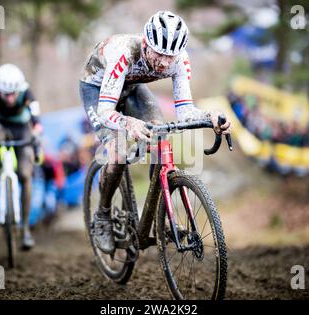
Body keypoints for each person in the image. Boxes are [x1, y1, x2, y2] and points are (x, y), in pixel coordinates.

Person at [79, 11, 231, 254]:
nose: (163, 63)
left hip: (131, 87)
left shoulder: (180, 60)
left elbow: (184, 111)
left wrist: (209, 117)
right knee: (117, 150)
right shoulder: (124, 53)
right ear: (146, 43)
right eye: (158, 54)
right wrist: (128, 124)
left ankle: (161, 212)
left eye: (170, 57)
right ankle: (103, 215)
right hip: (97, 90)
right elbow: (107, 111)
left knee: (160, 135)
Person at [0, 63, 43, 250]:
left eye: (14, 93)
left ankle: (25, 228)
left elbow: (36, 116)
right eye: (6, 94)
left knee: (25, 174)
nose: (10, 98)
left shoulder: (26, 91)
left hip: (21, 127)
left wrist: (37, 132)